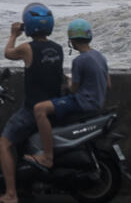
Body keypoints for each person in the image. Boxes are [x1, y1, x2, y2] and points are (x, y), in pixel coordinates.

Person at [0, 3, 64, 203]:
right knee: (22, 146)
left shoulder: (26, 48)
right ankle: (26, 187)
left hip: (32, 110)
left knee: (3, 144)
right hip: (54, 106)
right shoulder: (58, 49)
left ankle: (11, 194)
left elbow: (8, 53)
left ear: (29, 25)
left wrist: (13, 34)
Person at [24, 18, 110, 170]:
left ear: (71, 41)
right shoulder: (100, 56)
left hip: (83, 102)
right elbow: (108, 84)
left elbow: (74, 90)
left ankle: (47, 157)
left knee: (39, 109)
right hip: (97, 102)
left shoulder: (79, 61)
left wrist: (69, 81)